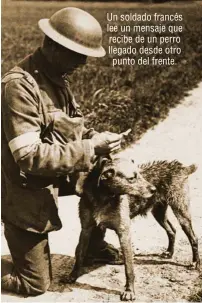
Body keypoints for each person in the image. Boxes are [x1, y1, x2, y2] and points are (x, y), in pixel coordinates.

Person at [1, 7, 122, 296]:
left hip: (48, 173)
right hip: (22, 186)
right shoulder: (19, 86)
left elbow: (68, 130)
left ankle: (93, 244)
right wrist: (89, 148)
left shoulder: (55, 77)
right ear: (55, 47)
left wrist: (94, 139)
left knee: (109, 176)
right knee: (35, 284)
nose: (83, 62)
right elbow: (29, 157)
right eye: (78, 54)